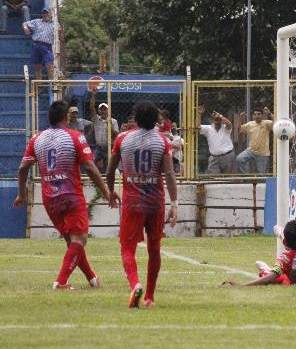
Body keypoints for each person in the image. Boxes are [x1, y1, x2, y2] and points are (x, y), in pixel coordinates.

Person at [13, 101, 115, 290]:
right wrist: (107, 192)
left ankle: (92, 278)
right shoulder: (75, 136)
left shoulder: (37, 139)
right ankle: (60, 282)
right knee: (79, 239)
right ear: (65, 117)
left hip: (49, 198)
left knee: (72, 241)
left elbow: (22, 168)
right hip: (71, 195)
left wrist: (21, 194)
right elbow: (91, 168)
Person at [106, 100, 178, 308]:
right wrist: (174, 204)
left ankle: (135, 284)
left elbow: (110, 171)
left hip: (132, 203)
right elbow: (170, 174)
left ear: (135, 118)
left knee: (127, 248)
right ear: (156, 120)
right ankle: (149, 297)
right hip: (155, 203)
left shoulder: (122, 139)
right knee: (154, 249)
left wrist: (111, 191)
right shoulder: (162, 142)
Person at [224, 220, 296, 286]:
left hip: (293, 281)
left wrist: (243, 285)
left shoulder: (285, 258)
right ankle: (280, 232)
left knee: (278, 278)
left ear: (287, 243)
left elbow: (270, 278)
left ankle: (264, 269)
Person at [197, 106, 235, 174]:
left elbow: (229, 123)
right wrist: (199, 114)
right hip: (214, 158)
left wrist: (219, 115)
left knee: (228, 178)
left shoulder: (226, 128)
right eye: (215, 119)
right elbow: (197, 127)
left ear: (221, 120)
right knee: (214, 178)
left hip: (228, 156)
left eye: (219, 119)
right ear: (213, 120)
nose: (217, 121)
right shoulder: (208, 128)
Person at [22, 7, 57, 80]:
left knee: (49, 65)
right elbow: (25, 23)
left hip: (47, 46)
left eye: (47, 13)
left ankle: (52, 85)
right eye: (44, 13)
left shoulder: (55, 24)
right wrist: (25, 28)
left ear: (51, 14)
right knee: (37, 67)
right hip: (36, 45)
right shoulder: (37, 21)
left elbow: (60, 33)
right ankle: (39, 87)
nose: (45, 14)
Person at [89, 90, 119, 173]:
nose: (103, 111)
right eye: (101, 109)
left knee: (108, 167)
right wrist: (93, 95)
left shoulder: (113, 121)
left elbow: (116, 135)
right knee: (91, 163)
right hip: (99, 147)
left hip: (109, 147)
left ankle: (106, 182)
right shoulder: (96, 120)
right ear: (98, 111)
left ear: (108, 111)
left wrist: (110, 127)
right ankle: (93, 179)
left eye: (105, 109)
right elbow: (91, 108)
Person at [236, 108, 273, 174]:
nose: (257, 116)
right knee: (239, 159)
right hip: (251, 151)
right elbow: (239, 130)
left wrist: (269, 114)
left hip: (263, 153)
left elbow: (277, 123)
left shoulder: (267, 123)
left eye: (259, 114)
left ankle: (259, 183)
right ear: (253, 116)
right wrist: (241, 118)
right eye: (255, 114)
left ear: (262, 115)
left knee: (261, 174)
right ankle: (247, 176)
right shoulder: (250, 124)